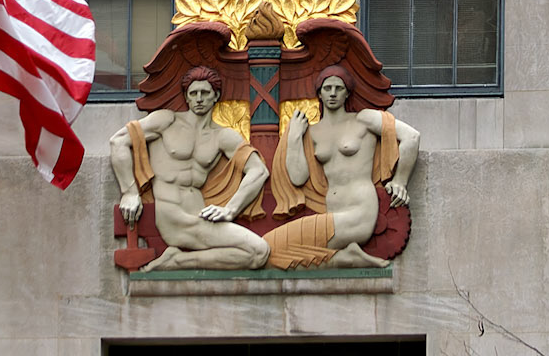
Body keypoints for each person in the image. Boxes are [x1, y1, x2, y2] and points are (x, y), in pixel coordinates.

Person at [109, 65, 269, 272]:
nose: (199, 98)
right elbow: (118, 141)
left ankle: (177, 261)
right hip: (174, 217)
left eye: (205, 93)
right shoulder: (167, 121)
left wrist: (230, 209)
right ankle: (174, 260)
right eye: (193, 93)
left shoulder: (222, 136)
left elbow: (259, 170)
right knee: (259, 252)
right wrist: (129, 192)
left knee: (259, 254)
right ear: (186, 96)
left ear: (216, 96)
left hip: (201, 216)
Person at [264, 67, 420, 269]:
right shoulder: (312, 132)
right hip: (331, 214)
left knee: (269, 247)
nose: (333, 93)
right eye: (327, 88)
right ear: (319, 93)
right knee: (269, 251)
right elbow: (298, 177)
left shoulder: (364, 120)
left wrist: (400, 180)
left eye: (339, 88)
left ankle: (346, 258)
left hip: (360, 213)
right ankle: (345, 257)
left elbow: (412, 137)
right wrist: (294, 136)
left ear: (347, 92)